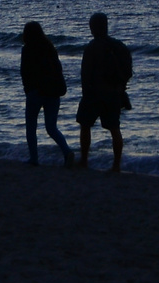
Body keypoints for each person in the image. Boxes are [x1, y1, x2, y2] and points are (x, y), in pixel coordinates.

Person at [75, 12, 131, 172]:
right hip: (114, 93)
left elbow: (85, 74)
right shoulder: (120, 46)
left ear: (93, 28)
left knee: (85, 125)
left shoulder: (91, 47)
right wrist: (121, 88)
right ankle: (116, 165)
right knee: (115, 129)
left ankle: (84, 161)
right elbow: (128, 72)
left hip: (94, 94)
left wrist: (86, 94)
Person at [21, 21, 73, 166]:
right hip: (52, 92)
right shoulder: (50, 48)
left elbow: (24, 72)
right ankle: (67, 151)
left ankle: (34, 158)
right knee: (51, 127)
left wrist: (28, 89)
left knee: (31, 127)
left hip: (35, 92)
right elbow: (58, 68)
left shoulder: (28, 49)